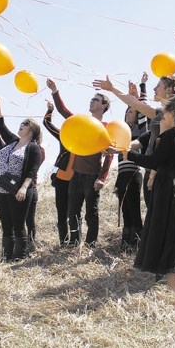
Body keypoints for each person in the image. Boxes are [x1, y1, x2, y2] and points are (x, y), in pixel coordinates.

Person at [120, 93, 175, 291]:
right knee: (168, 233)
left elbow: (154, 161)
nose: (163, 113)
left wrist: (129, 155)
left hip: (170, 187)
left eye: (167, 110)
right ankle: (167, 285)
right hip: (172, 186)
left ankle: (172, 289)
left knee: (169, 233)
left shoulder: (173, 134)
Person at [93, 74, 175, 211]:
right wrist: (112, 88)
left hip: (164, 175)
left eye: (158, 85)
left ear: (169, 90)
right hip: (152, 172)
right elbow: (135, 106)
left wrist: (153, 174)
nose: (155, 88)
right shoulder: (159, 113)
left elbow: (163, 151)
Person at [47, 78, 113, 247]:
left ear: (105, 106)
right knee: (72, 212)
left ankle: (91, 244)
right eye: (91, 99)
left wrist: (102, 178)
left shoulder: (106, 127)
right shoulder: (82, 122)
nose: (91, 101)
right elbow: (63, 111)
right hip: (75, 175)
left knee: (91, 213)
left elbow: (110, 155)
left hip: (92, 176)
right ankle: (74, 243)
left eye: (96, 100)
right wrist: (55, 91)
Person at [0, 93, 44, 261]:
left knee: (18, 225)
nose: (21, 125)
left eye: (25, 124)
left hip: (20, 191)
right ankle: (6, 256)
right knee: (6, 225)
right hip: (3, 189)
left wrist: (24, 188)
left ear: (32, 130)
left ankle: (20, 256)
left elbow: (32, 170)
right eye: (21, 123)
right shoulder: (12, 141)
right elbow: (0, 124)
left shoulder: (34, 148)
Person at [113, 75, 150, 253]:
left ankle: (138, 243)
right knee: (125, 208)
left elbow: (143, 112)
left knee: (134, 208)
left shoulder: (140, 130)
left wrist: (141, 90)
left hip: (134, 173)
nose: (128, 113)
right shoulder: (122, 132)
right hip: (122, 174)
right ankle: (127, 243)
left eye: (131, 112)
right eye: (126, 111)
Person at [42, 101, 75, 246]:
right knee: (61, 213)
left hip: (77, 180)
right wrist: (50, 110)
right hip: (61, 179)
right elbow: (46, 124)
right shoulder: (64, 136)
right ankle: (63, 241)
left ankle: (75, 240)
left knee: (73, 213)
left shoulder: (87, 140)